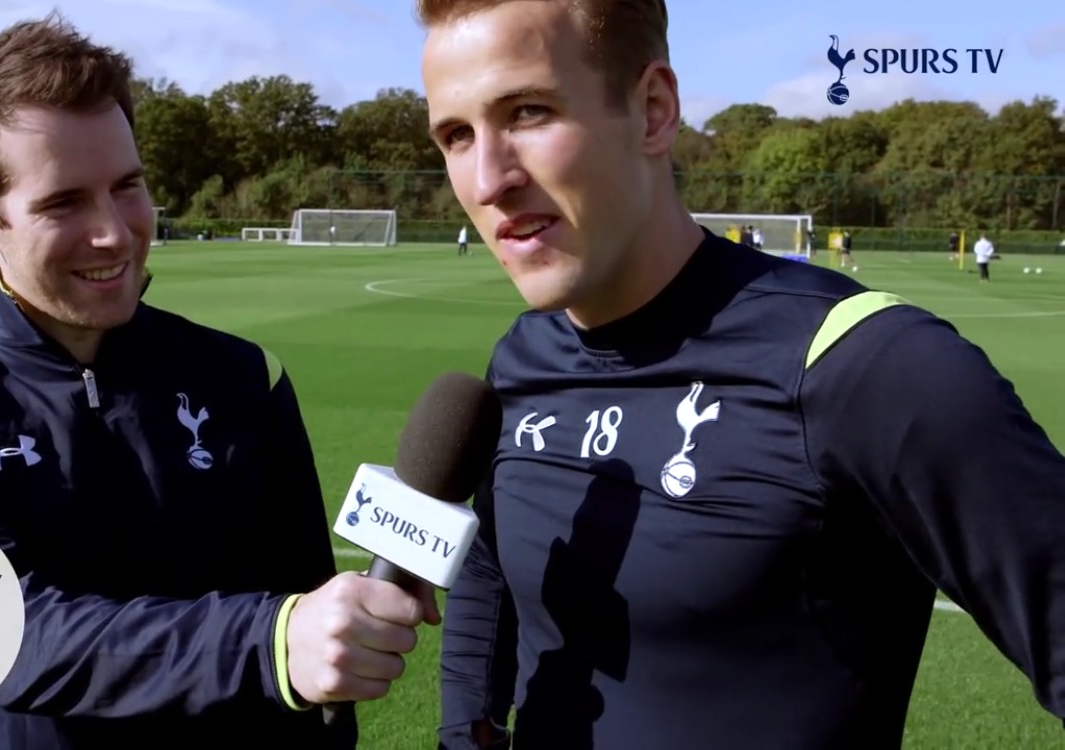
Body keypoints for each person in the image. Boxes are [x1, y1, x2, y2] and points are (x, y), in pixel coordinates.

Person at [417, 0, 1065, 747]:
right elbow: (495, 563)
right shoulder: (522, 357)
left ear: (654, 111)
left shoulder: (870, 368)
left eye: (529, 112)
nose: (487, 179)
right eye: (456, 135)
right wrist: (466, 724)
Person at [0, 14, 437, 749]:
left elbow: (313, 629)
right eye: (63, 203)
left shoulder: (248, 378)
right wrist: (269, 643)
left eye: (127, 187)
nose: (115, 232)